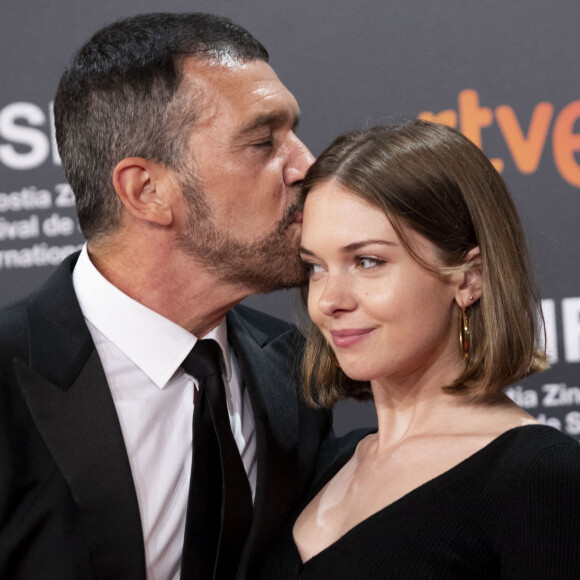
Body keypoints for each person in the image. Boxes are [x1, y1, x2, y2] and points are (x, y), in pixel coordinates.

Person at [0, 13, 332, 580]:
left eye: (294, 133)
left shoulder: (294, 370)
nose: (307, 165)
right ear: (148, 191)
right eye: (263, 141)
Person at [259, 120, 580, 579]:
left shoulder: (539, 477)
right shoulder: (322, 463)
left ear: (469, 278)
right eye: (315, 267)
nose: (329, 301)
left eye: (367, 261)